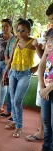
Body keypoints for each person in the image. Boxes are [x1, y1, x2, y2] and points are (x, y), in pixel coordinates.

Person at [2, 19, 36, 138]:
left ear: (28, 31)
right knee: (12, 99)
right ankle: (15, 121)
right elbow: (10, 59)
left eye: (23, 30)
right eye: (18, 30)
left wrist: (36, 68)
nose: (20, 33)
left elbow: (45, 56)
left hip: (25, 74)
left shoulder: (33, 43)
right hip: (13, 73)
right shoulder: (16, 41)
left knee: (17, 101)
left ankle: (19, 127)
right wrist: (5, 73)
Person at [26, 3, 53, 142]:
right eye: (51, 20)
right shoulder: (50, 32)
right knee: (47, 121)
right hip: (47, 83)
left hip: (50, 86)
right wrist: (43, 87)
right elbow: (43, 61)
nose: (52, 23)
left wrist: (47, 88)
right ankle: (46, 147)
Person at [2, 18, 24, 118]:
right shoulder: (12, 39)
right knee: (10, 92)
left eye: (21, 28)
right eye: (17, 28)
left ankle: (15, 117)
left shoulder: (26, 41)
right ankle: (9, 111)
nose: (19, 30)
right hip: (10, 67)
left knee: (16, 95)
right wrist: (7, 60)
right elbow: (6, 50)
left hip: (19, 69)